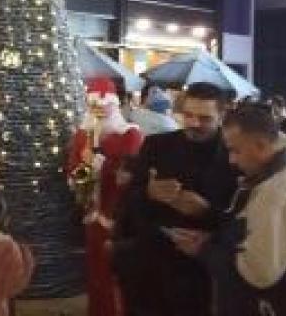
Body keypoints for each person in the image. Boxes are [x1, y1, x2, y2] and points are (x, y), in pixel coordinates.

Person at [113, 82, 240, 316]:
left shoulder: (235, 154)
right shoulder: (156, 145)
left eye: (204, 118)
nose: (193, 124)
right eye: (188, 115)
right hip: (148, 262)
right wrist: (149, 193)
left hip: (199, 270)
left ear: (222, 116)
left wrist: (206, 212)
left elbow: (245, 216)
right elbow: (128, 200)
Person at [168, 103, 286, 316]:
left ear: (261, 145)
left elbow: (259, 272)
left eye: (235, 150)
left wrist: (204, 250)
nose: (232, 160)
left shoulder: (274, 193)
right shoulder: (267, 174)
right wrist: (211, 233)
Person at [66, 77, 143, 316]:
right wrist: (86, 171)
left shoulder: (130, 135)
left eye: (104, 105)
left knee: (119, 276)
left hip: (120, 218)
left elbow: (133, 176)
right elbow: (74, 174)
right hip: (92, 214)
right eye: (94, 106)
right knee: (96, 273)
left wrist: (106, 166)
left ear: (115, 104)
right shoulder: (83, 136)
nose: (99, 111)